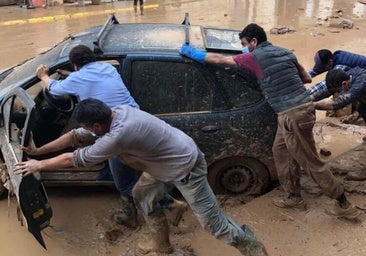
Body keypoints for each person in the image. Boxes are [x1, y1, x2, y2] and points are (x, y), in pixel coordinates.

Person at [14, 98, 268, 256]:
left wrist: (39, 165)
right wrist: (38, 151)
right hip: (165, 162)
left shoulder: (118, 135)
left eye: (90, 128)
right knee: (141, 194)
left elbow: (74, 158)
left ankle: (256, 251)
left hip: (186, 169)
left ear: (98, 126)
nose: (86, 131)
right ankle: (162, 244)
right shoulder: (118, 112)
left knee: (215, 225)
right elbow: (75, 137)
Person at [179, 23, 361, 220]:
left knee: (310, 161)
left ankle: (343, 202)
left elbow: (219, 59)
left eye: (245, 44)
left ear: (254, 41)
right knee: (280, 152)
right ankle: (293, 196)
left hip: (292, 115)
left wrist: (191, 53)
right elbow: (307, 78)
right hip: (298, 112)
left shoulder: (253, 57)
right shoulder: (285, 53)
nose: (245, 48)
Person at [35, 45, 186, 229]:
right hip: (129, 117)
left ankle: (169, 204)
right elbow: (90, 81)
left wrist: (43, 76)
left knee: (124, 184)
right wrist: (69, 75)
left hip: (115, 130)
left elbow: (54, 89)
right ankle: (130, 211)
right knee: (75, 136)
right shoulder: (107, 68)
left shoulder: (78, 79)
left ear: (76, 66)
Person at [313, 67, 366, 181]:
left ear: (344, 83)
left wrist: (312, 105)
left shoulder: (360, 83)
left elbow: (335, 104)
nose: (337, 93)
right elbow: (328, 91)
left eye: (338, 91)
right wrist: (308, 98)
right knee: (362, 108)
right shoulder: (347, 76)